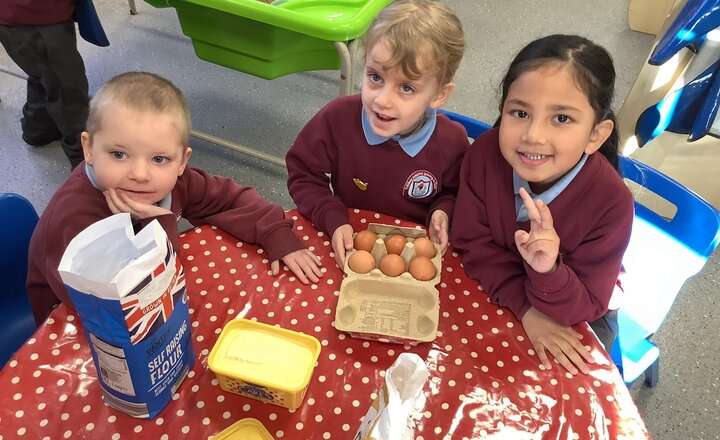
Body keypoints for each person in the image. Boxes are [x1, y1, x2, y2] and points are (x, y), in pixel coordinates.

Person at [26, 72, 323, 325]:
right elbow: (131, 307)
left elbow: (231, 199)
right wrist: (158, 226)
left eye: (159, 158)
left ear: (182, 161)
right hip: (76, 328)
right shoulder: (73, 220)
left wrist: (275, 232)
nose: (140, 173)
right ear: (89, 149)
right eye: (118, 154)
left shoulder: (176, 181)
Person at [451, 35, 634, 375]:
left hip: (575, 312)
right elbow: (471, 241)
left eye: (561, 118)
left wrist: (547, 270)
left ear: (596, 135)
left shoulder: (612, 204)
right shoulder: (484, 154)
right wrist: (525, 307)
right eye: (520, 112)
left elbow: (588, 304)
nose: (533, 135)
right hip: (503, 292)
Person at [285, 0, 469, 268]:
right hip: (347, 240)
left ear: (439, 94)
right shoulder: (338, 118)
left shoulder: (451, 142)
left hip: (414, 257)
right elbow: (303, 174)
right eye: (375, 77)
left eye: (406, 88)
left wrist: (443, 211)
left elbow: (456, 192)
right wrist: (331, 216)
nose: (382, 100)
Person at [0, 0, 89, 169]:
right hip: (34, 17)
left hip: (26, 16)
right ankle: (85, 165)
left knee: (46, 73)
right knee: (68, 91)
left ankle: (39, 129)